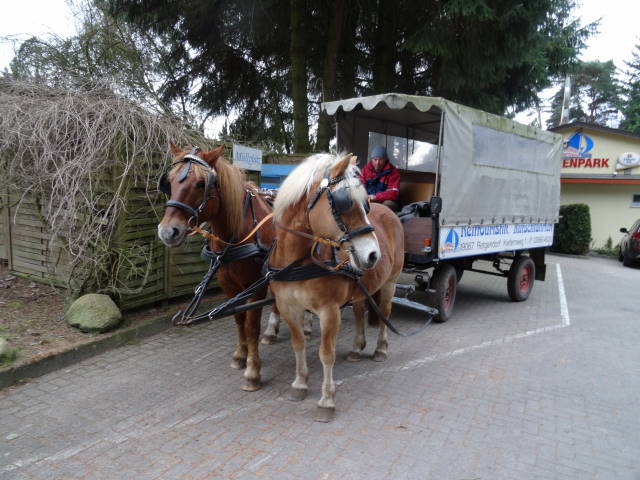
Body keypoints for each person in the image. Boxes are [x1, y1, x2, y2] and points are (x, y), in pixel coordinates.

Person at [359, 145, 400, 211]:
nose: (377, 163)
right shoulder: (365, 170)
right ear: (371, 159)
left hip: (386, 201)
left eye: (380, 160)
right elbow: (360, 184)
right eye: (375, 159)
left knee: (387, 205)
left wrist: (376, 197)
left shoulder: (394, 173)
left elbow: (393, 193)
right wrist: (364, 194)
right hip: (369, 199)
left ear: (385, 160)